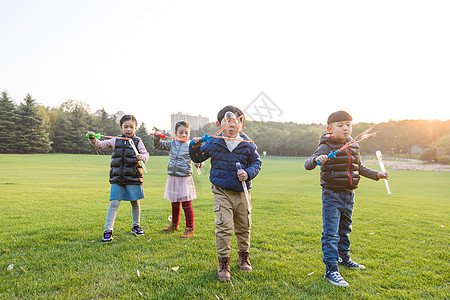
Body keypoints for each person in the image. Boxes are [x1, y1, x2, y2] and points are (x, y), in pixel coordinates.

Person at [304, 110, 389, 287]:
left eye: (348, 125)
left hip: (349, 194)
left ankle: (344, 259)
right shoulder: (326, 145)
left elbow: (360, 168)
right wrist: (317, 160)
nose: (346, 128)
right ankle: (331, 270)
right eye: (340, 125)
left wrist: (378, 175)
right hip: (331, 195)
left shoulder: (353, 145)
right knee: (331, 233)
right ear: (330, 128)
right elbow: (308, 163)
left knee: (345, 230)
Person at [189, 105, 262, 281]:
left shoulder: (247, 144)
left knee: (244, 226)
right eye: (227, 121)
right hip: (221, 192)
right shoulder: (213, 142)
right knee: (224, 226)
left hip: (242, 193)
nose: (232, 125)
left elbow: (256, 163)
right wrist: (194, 145)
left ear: (241, 125)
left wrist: (248, 173)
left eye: (236, 121)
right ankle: (223, 263)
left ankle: (244, 257)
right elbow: (198, 157)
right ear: (218, 124)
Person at [87, 115, 149, 243]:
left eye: (131, 127)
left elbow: (146, 153)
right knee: (114, 203)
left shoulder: (138, 141)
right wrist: (92, 138)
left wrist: (143, 157)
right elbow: (100, 145)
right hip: (117, 177)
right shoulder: (115, 140)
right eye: (126, 127)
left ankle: (136, 226)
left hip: (133, 176)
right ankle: (108, 230)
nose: (128, 130)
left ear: (135, 128)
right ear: (121, 128)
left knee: (135, 202)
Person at [154, 121, 199, 239]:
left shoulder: (191, 145)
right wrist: (157, 138)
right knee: (174, 202)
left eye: (186, 133)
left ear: (189, 134)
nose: (184, 135)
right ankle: (174, 224)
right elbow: (158, 145)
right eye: (181, 133)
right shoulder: (172, 143)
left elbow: (198, 157)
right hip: (173, 177)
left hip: (184, 178)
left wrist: (199, 163)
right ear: (175, 133)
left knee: (186, 204)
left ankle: (190, 229)